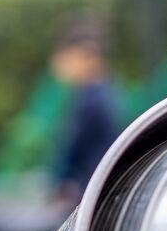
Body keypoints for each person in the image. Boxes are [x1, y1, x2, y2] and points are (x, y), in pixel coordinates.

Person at [49, 22, 119, 207]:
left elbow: (74, 149)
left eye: (67, 58)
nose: (61, 65)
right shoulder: (100, 92)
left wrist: (61, 181)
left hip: (93, 193)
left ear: (87, 55)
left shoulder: (94, 100)